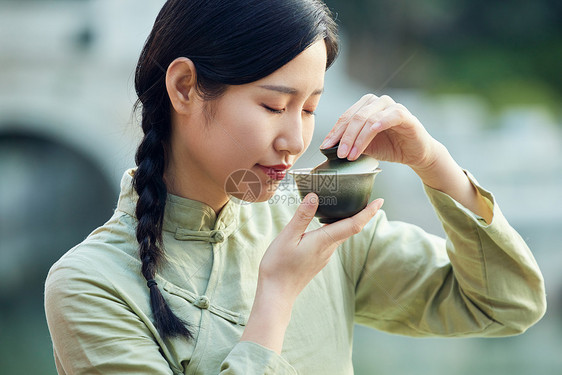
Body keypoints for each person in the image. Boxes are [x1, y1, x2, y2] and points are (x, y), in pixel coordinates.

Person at [44, 0, 546, 374]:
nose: (295, 139)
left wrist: (432, 162)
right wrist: (277, 294)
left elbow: (507, 304)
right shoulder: (91, 285)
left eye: (308, 108)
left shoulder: (316, 212)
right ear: (184, 88)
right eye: (272, 106)